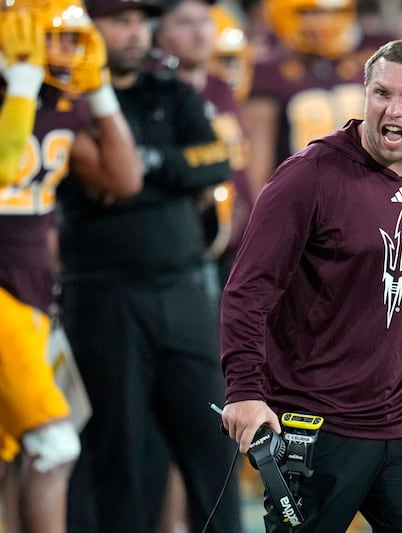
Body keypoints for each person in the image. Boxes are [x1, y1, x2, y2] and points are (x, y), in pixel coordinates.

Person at [220, 38, 402, 533]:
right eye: (381, 93)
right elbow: (248, 291)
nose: (393, 109)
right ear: (364, 95)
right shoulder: (307, 176)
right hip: (318, 425)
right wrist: (243, 389)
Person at [55, 0, 242, 531]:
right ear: (88, 29)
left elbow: (217, 159)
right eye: (119, 20)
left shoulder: (173, 93)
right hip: (102, 296)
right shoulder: (68, 104)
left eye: (140, 20)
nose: (134, 32)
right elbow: (106, 182)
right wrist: (166, 174)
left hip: (183, 291)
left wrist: (151, 163)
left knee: (214, 447)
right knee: (125, 455)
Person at [0, 1, 142, 531]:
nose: (70, 52)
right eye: (57, 38)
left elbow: (123, 178)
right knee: (54, 443)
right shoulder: (18, 90)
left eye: (76, 40)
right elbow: (5, 165)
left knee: (11, 451)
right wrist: (17, 85)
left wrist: (100, 91)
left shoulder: (56, 100)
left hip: (31, 286)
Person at [241, 0, 396, 192]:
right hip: (302, 200)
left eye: (334, 12)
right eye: (309, 12)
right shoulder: (270, 71)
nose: (323, 22)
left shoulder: (369, 60)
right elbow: (258, 166)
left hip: (366, 194)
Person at [155, 0, 254, 300]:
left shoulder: (221, 87)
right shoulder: (155, 93)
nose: (199, 33)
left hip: (236, 244)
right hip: (184, 245)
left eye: (204, 20)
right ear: (159, 34)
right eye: (184, 23)